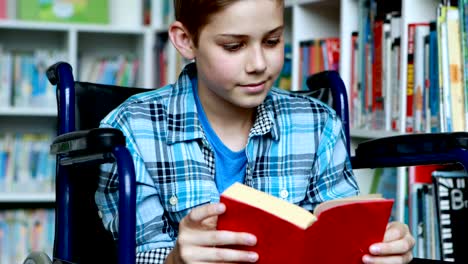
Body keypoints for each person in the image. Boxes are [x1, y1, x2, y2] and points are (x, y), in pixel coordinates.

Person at [95, 0, 415, 263]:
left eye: (273, 40)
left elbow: (342, 241)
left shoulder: (319, 124)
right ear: (185, 40)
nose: (259, 64)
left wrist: (379, 250)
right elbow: (138, 253)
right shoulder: (131, 129)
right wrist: (177, 259)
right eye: (234, 46)